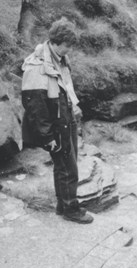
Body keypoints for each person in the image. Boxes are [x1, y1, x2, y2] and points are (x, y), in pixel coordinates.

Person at [21, 18, 93, 224]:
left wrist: (74, 107)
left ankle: (63, 205)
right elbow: (34, 105)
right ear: (57, 41)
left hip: (66, 119)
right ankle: (71, 209)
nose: (69, 49)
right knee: (68, 168)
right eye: (67, 45)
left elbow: (65, 87)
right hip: (55, 126)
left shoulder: (60, 59)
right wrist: (47, 136)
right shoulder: (37, 65)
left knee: (64, 166)